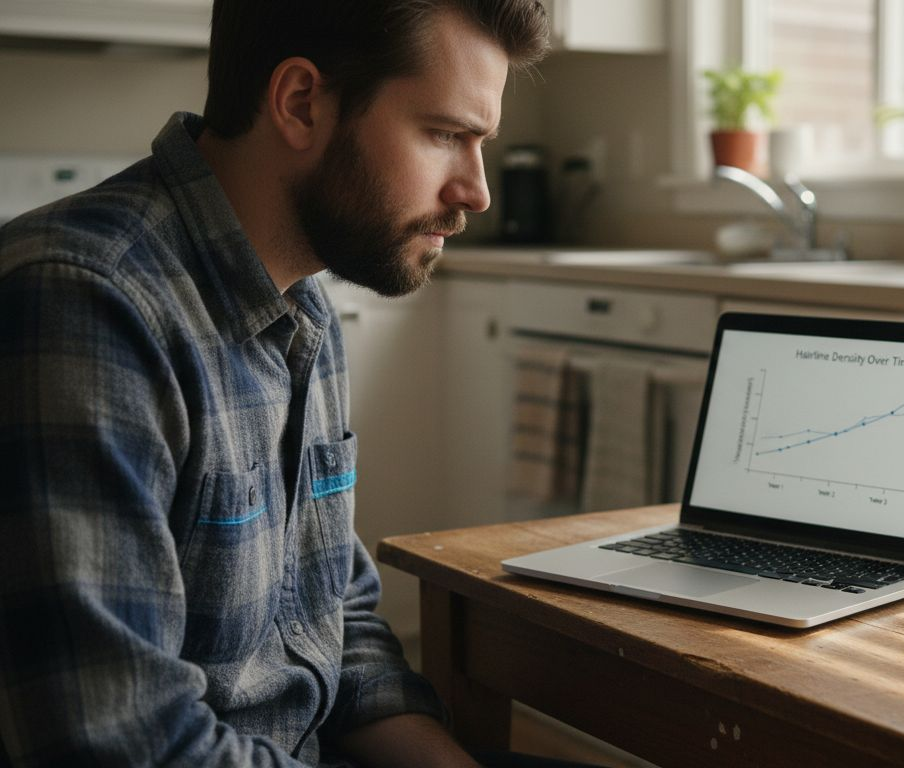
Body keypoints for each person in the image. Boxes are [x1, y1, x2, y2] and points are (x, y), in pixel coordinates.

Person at [0, 1, 571, 765]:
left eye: (481, 144)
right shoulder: (83, 305)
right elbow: (118, 740)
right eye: (444, 135)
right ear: (301, 103)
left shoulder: (303, 305)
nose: (476, 191)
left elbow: (336, 623)